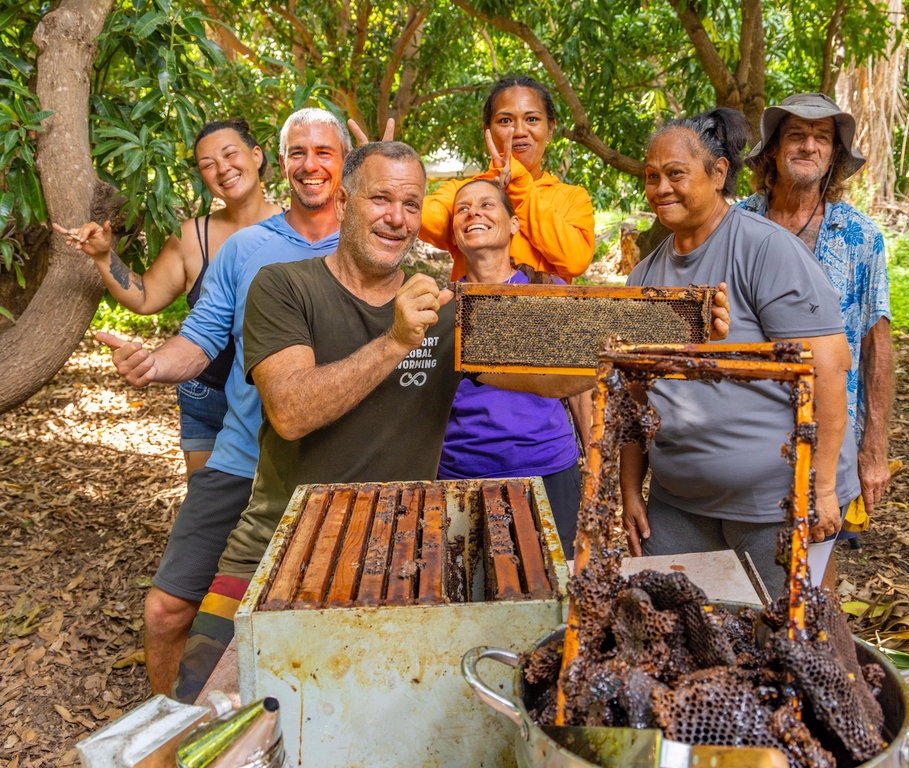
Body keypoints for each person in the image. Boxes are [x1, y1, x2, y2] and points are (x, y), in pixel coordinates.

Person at [170, 141, 597, 700]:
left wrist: (665, 337)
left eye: (411, 204)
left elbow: (553, 378)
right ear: (345, 200)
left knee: (363, 724)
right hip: (274, 549)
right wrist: (396, 341)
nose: (397, 218)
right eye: (381, 199)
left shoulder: (446, 307)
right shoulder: (284, 285)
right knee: (203, 707)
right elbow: (292, 411)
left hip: (396, 556)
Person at [95, 107, 351, 695]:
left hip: (329, 466)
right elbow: (204, 337)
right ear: (281, 162)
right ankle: (169, 741)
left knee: (311, 622)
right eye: (299, 154)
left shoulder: (367, 242)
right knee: (165, 613)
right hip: (240, 458)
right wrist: (154, 363)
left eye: (325, 153)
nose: (311, 166)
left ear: (342, 164)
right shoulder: (245, 248)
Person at [620, 108, 853, 601]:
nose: (661, 188)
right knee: (686, 635)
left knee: (783, 641)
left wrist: (824, 487)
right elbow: (634, 397)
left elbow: (829, 367)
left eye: (676, 174)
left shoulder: (767, 250)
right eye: (652, 176)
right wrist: (629, 487)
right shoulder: (643, 278)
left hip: (775, 501)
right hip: (678, 502)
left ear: (719, 173)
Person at [53, 118, 282, 474]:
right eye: (208, 164)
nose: (222, 168)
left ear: (256, 155)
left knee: (278, 516)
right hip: (207, 396)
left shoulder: (297, 229)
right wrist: (102, 255)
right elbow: (145, 297)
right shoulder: (192, 237)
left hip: (276, 398)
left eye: (229, 154)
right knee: (210, 518)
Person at [739, 93, 893, 586]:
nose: (808, 145)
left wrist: (874, 448)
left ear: (833, 156)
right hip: (745, 430)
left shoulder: (860, 236)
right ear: (772, 150)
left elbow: (875, 344)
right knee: (745, 573)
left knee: (815, 575)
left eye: (821, 138)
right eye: (796, 135)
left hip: (831, 431)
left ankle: (818, 656)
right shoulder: (736, 223)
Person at [437, 177, 585, 556]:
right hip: (461, 475)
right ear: (454, 231)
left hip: (549, 470)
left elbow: (583, 391)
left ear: (514, 224)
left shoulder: (549, 293)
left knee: (555, 589)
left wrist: (596, 466)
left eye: (487, 205)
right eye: (463, 208)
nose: (474, 213)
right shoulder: (438, 307)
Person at [419, 75, 595, 283]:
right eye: (505, 120)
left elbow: (576, 261)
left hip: (547, 316)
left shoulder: (572, 198)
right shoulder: (463, 195)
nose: (519, 131)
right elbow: (408, 215)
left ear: (550, 129)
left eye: (532, 119)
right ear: (488, 132)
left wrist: (519, 184)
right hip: (472, 314)